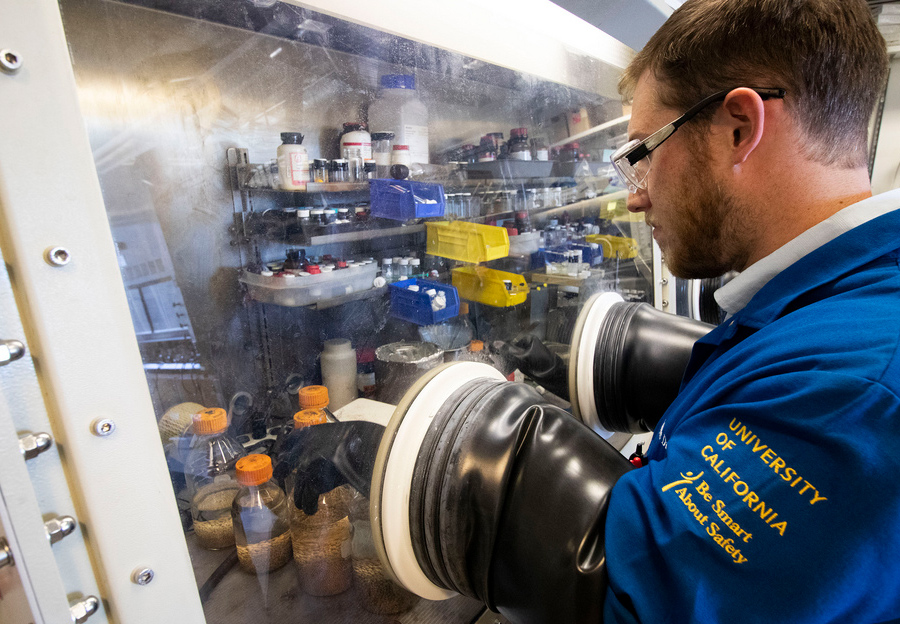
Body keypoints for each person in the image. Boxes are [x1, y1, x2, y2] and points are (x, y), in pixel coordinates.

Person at [604, 0, 900, 622]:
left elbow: (638, 599)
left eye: (644, 152)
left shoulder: (855, 392)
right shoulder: (837, 299)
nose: (636, 196)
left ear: (739, 127)